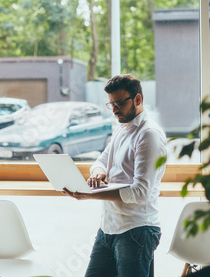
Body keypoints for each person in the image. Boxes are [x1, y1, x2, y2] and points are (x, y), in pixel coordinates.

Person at [63, 74, 167, 277]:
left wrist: (89, 194)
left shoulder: (149, 134)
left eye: (119, 103)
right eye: (111, 104)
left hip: (136, 230)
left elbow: (140, 192)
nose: (114, 109)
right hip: (109, 228)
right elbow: (101, 161)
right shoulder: (122, 128)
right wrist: (99, 172)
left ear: (137, 99)